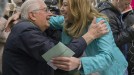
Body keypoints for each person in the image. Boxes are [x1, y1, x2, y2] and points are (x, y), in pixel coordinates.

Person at [2, 0, 108, 75]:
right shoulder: (26, 31)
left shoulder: (33, 28)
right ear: (33, 15)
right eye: (46, 10)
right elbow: (59, 53)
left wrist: (20, 13)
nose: (51, 14)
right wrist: (90, 35)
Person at [48, 0, 128, 75]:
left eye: (65, 5)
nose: (61, 9)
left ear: (78, 7)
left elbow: (107, 57)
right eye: (61, 4)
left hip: (112, 71)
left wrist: (80, 63)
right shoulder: (66, 20)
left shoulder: (98, 23)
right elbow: (42, 20)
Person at [97, 0, 134, 75]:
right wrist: (132, 30)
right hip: (114, 63)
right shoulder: (108, 14)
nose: (128, 7)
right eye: (126, 4)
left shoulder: (114, 12)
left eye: (129, 4)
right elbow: (114, 41)